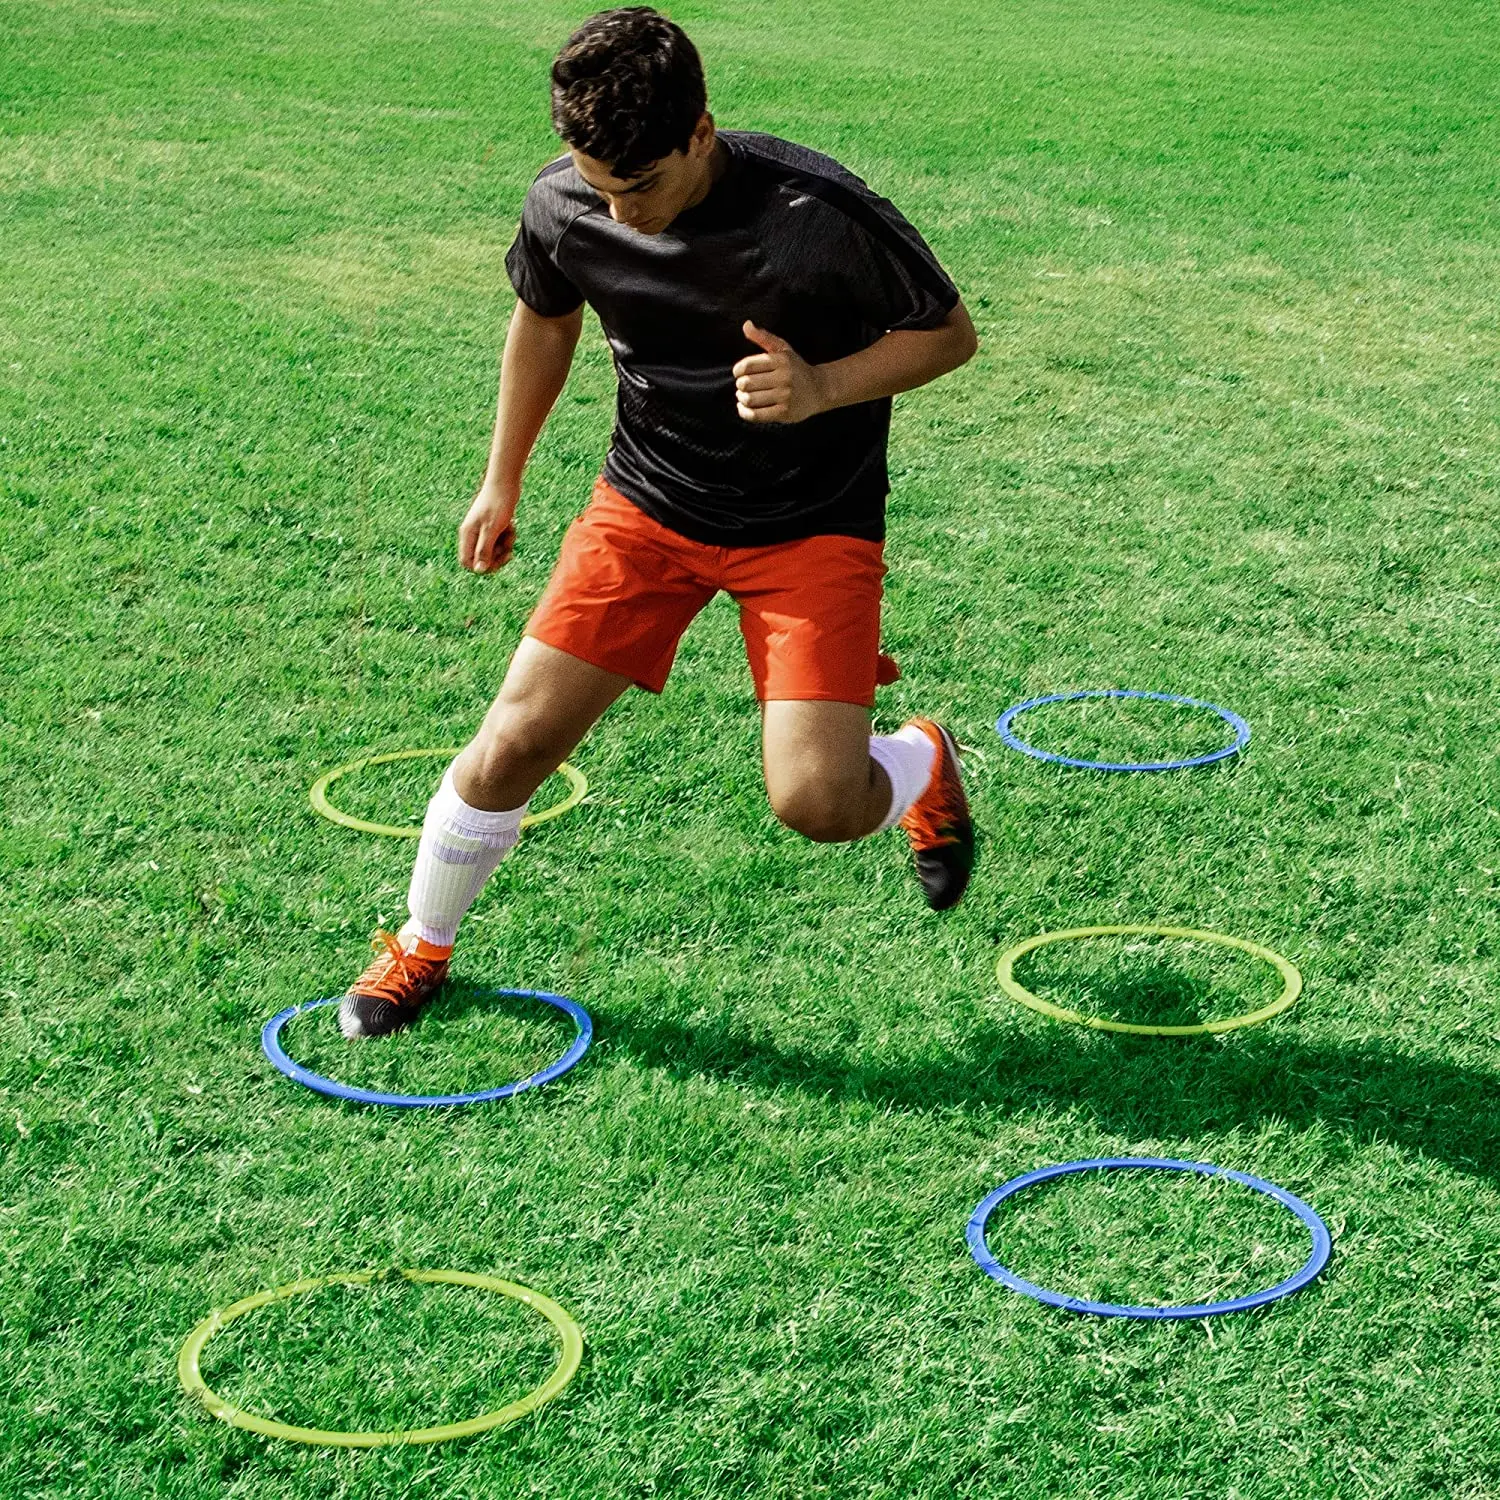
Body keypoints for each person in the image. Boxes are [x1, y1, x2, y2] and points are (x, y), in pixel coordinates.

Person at [339, 5, 980, 1038]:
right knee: (512, 743)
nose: (620, 215)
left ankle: (921, 761)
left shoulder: (817, 213)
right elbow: (545, 319)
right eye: (598, 185)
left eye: (640, 187)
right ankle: (421, 943)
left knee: (817, 802)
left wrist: (820, 387)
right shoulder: (565, 205)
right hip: (648, 503)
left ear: (699, 132)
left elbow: (949, 336)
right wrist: (502, 478)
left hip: (810, 523)